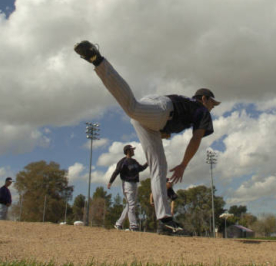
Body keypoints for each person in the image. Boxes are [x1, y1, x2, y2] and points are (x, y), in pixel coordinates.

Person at [74, 40, 219, 234]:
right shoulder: (202, 110)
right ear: (204, 99)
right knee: (132, 108)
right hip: (162, 108)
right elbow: (196, 139)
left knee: (159, 165)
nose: (213, 107)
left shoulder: (190, 108)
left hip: (155, 115)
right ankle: (98, 61)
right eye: (212, 103)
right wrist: (184, 164)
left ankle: (165, 220)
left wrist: (164, 131)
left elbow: (166, 129)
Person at [108, 144, 148, 231]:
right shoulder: (123, 161)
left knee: (129, 205)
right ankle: (133, 225)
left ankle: (118, 224)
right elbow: (116, 171)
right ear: (128, 151)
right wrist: (110, 182)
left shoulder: (134, 161)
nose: (133, 151)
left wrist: (148, 162)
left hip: (134, 184)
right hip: (127, 184)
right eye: (132, 149)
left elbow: (141, 168)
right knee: (131, 205)